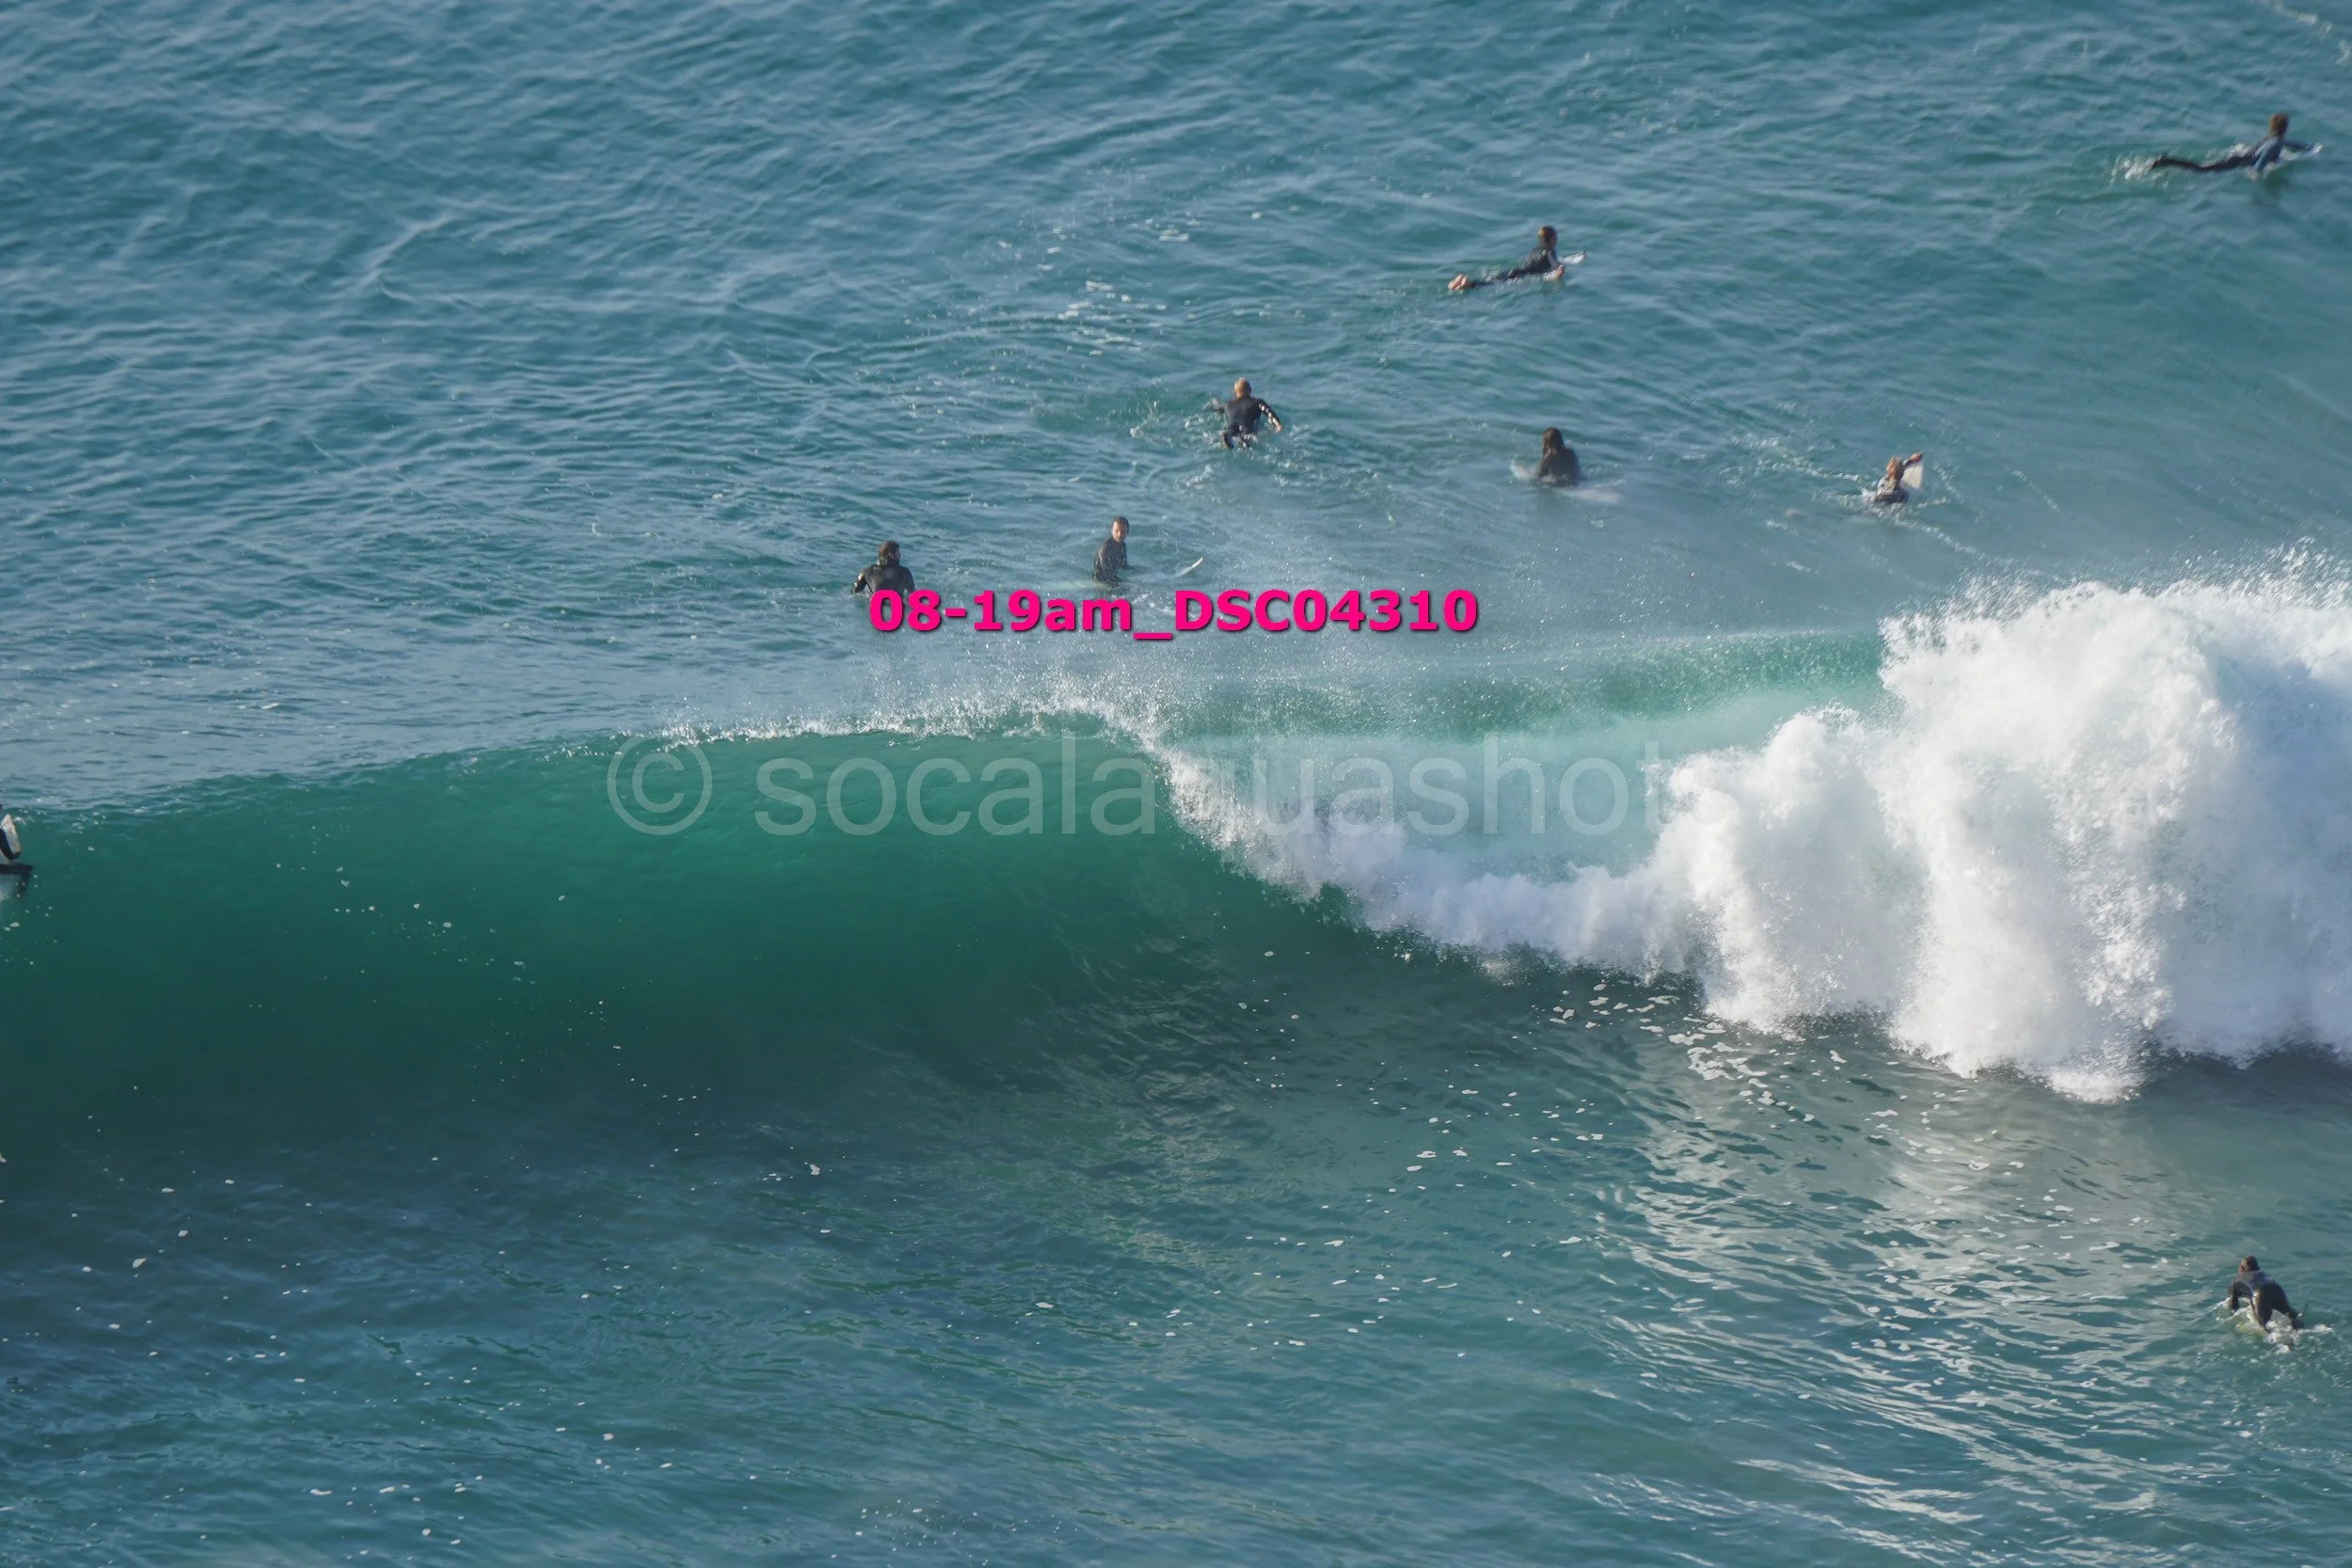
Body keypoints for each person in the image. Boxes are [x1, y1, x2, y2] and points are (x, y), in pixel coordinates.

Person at [2154, 113, 2311, 174]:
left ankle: (2168, 161)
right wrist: (2256, 172)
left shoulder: (2272, 138)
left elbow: (2288, 143)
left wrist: (2309, 147)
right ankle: (2166, 161)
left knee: (2202, 167)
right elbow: (2263, 157)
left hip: (2239, 158)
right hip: (2239, 162)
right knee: (2201, 169)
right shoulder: (2275, 143)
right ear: (2286, 128)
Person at [1451, 226, 1565, 292]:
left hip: (1516, 270)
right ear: (1552, 239)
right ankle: (1468, 284)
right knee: (1491, 284)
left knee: (1491, 281)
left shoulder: (1535, 250)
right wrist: (1558, 273)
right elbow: (1556, 267)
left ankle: (1462, 281)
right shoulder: (1550, 251)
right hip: (1521, 276)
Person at [2228, 1256, 2302, 1330]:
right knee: (2292, 1316)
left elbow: (2233, 1305)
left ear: (2241, 1268)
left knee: (2263, 1327)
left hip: (2260, 1293)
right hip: (2276, 1288)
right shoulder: (2264, 1274)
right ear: (2258, 1268)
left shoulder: (2237, 1278)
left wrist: (2234, 1316)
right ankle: (2299, 1330)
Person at [1216, 378, 1283, 449]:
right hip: (1246, 425)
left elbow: (1217, 409)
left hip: (1231, 425)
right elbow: (1268, 412)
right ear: (1250, 390)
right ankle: (1243, 441)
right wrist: (1278, 424)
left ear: (1235, 392)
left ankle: (1228, 439)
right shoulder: (1257, 401)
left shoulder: (1227, 404)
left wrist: (1215, 403)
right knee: (1247, 440)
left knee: (1231, 436)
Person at [850, 540, 914, 595]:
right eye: (898, 553)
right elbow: (912, 594)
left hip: (875, 603)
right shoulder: (904, 572)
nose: (900, 555)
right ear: (891, 555)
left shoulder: (867, 572)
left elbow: (854, 592)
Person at [1093, 515, 1130, 586]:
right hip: (1100, 582)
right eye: (1116, 531)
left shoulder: (1122, 545)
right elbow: (1107, 574)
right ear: (1111, 531)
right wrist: (1124, 583)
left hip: (1112, 579)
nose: (1119, 534)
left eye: (1123, 531)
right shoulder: (1105, 548)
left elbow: (1123, 566)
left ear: (1127, 532)